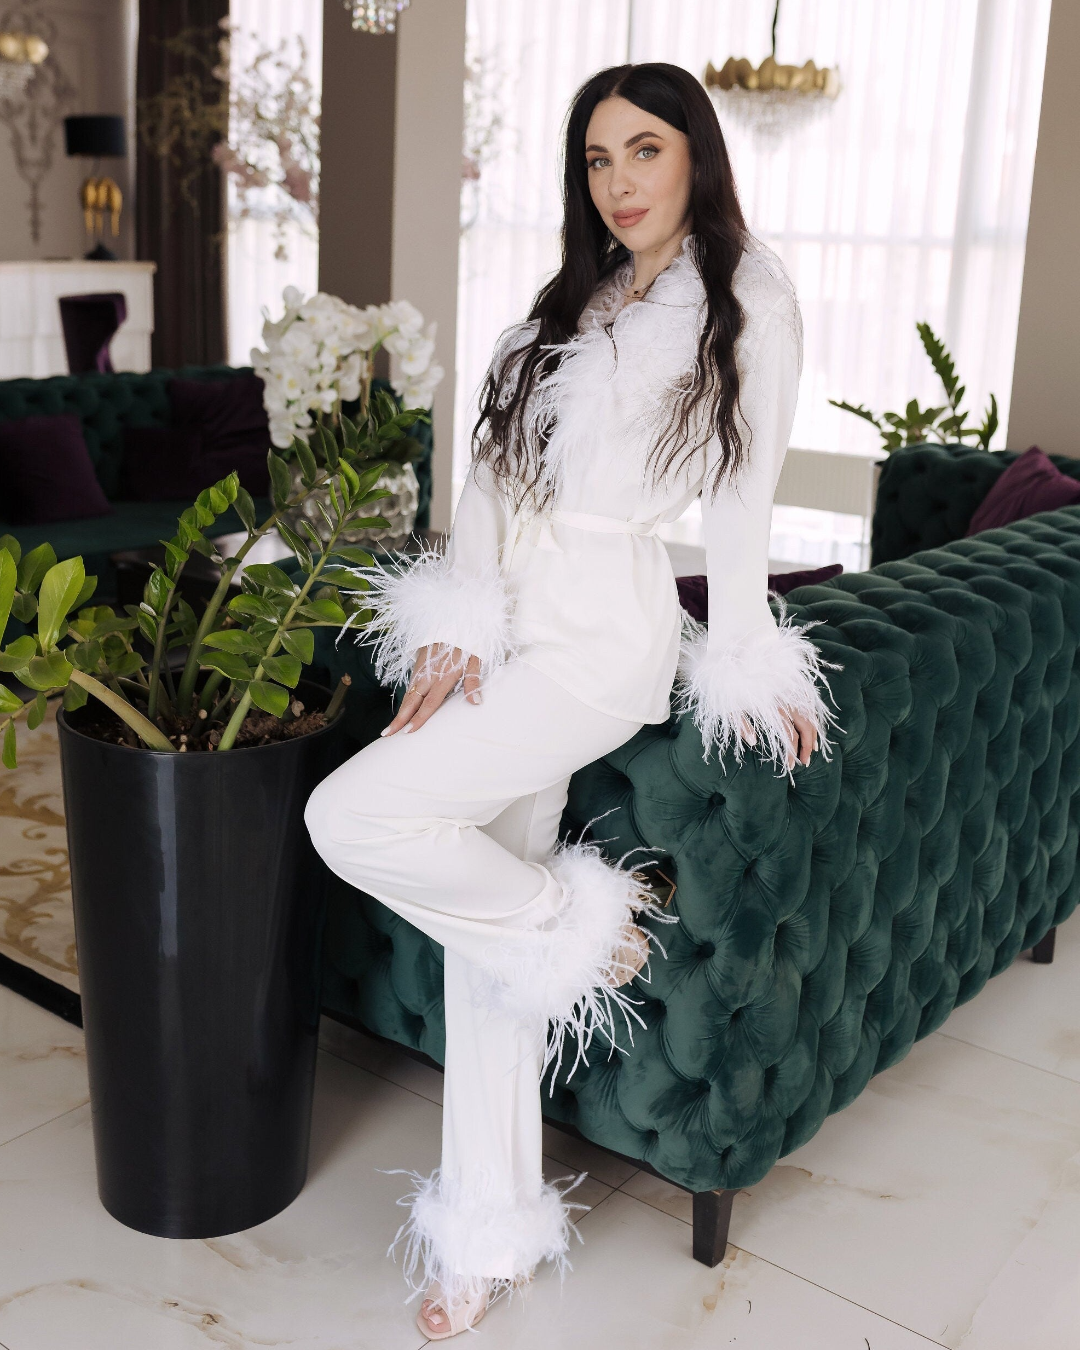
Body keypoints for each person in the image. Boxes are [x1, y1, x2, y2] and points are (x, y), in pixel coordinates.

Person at [304, 60, 843, 1340]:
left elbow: (744, 498)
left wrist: (755, 660)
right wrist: (458, 624)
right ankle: (485, 1235)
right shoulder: (566, 304)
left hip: (606, 631)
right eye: (599, 160)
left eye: (644, 151)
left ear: (696, 156)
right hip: (513, 626)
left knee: (349, 816)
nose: (621, 182)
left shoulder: (747, 295)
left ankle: (579, 923)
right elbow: (483, 479)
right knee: (488, 930)